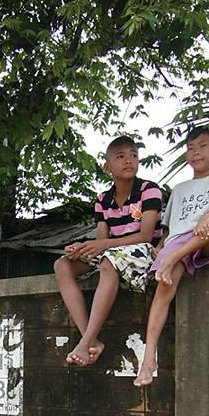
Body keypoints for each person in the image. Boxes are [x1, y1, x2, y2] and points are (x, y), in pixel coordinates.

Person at [134, 125, 209, 387]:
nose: (196, 153)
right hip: (180, 242)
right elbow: (170, 229)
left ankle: (176, 257)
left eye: (203, 146)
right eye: (191, 148)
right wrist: (161, 249)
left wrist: (207, 215)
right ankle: (149, 358)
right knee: (164, 288)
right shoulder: (180, 189)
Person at [54, 136, 162, 366]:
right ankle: (91, 340)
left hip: (142, 251)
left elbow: (145, 236)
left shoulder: (149, 190)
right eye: (120, 157)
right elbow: (102, 240)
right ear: (107, 166)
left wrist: (102, 246)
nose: (129, 161)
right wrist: (81, 249)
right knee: (62, 264)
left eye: (133, 155)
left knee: (108, 262)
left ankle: (85, 342)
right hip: (113, 252)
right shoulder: (102, 200)